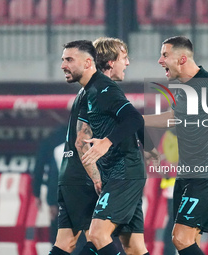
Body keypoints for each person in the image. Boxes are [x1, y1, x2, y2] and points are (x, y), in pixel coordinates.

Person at [143, 35, 208, 255]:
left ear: (182, 59)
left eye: (164, 55)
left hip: (207, 173)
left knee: (180, 238)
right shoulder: (183, 88)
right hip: (186, 173)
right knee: (189, 240)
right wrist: (139, 120)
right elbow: (174, 118)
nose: (160, 61)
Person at [75, 39, 149, 254]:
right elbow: (82, 141)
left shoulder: (102, 88)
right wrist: (97, 176)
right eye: (124, 58)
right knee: (134, 247)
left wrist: (106, 143)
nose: (127, 63)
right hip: (119, 173)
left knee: (97, 234)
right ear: (109, 61)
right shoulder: (98, 88)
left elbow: (135, 119)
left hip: (124, 172)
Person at [48, 40, 101, 255]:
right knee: (98, 238)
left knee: (67, 243)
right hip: (84, 180)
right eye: (63, 60)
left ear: (88, 63)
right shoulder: (95, 93)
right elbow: (81, 142)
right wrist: (97, 178)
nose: (62, 65)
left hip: (71, 178)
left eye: (68, 60)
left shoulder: (83, 94)